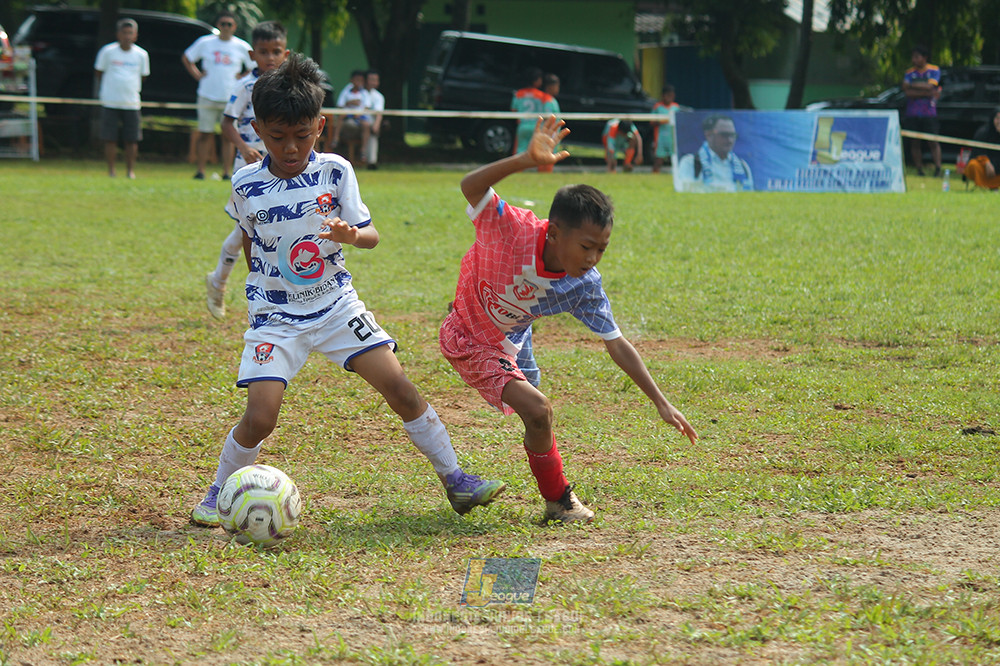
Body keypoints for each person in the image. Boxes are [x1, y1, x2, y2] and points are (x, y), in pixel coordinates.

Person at [190, 53, 505, 528]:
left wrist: (350, 236)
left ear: (323, 125)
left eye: (302, 135)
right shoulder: (245, 184)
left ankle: (456, 478)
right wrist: (259, 292)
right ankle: (218, 491)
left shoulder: (336, 171)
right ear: (257, 128)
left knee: (399, 386)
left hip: (337, 306)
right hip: (275, 319)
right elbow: (253, 241)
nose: (290, 147)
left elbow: (370, 233)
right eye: (277, 137)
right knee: (261, 418)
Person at [439, 115, 698, 525]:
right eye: (587, 246)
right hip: (468, 334)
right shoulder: (512, 228)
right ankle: (559, 501)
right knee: (539, 409)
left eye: (602, 249)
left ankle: (552, 494)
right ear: (555, 233)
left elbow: (616, 343)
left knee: (535, 416)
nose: (593, 258)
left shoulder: (583, 284)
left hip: (513, 342)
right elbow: (470, 186)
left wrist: (661, 402)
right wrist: (525, 159)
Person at [205, 20, 289, 319]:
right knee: (248, 229)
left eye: (275, 51)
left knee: (268, 228)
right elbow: (227, 122)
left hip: (282, 169)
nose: (269, 58)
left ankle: (225, 282)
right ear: (252, 55)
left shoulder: (288, 86)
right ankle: (223, 283)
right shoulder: (244, 87)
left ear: (286, 54)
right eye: (263, 52)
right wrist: (242, 147)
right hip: (250, 170)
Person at [181, 11, 253, 180]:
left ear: (234, 27)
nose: (226, 27)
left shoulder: (241, 46)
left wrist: (242, 78)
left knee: (228, 136)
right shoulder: (205, 42)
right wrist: (197, 75)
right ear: (218, 26)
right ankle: (201, 171)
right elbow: (187, 58)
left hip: (231, 97)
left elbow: (253, 65)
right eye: (223, 24)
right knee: (205, 133)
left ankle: (227, 172)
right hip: (207, 94)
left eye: (229, 24)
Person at [93, 18, 149, 179]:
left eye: (130, 33)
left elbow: (144, 76)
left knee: (132, 139)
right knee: (110, 138)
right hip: (110, 101)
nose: (127, 36)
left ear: (135, 35)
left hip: (132, 102)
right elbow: (99, 72)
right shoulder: (107, 52)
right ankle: (111, 171)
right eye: (124, 33)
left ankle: (130, 171)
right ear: (118, 34)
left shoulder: (141, 55)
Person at [675, 114, 753, 192]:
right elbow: (686, 194)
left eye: (732, 135)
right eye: (724, 135)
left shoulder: (743, 166)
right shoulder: (690, 163)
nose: (730, 140)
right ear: (708, 134)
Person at [902, 45, 942, 177]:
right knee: (915, 142)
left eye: (917, 57)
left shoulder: (934, 70)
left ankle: (938, 168)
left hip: (929, 112)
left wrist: (913, 86)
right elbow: (907, 92)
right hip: (913, 113)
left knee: (933, 141)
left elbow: (931, 87)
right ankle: (919, 169)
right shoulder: (909, 72)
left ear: (924, 58)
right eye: (913, 57)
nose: (914, 59)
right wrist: (926, 92)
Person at [327, 69, 371, 166]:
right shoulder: (346, 91)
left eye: (360, 80)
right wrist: (349, 103)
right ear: (351, 80)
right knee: (341, 116)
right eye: (356, 80)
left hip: (360, 116)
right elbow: (340, 105)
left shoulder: (364, 93)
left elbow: (367, 106)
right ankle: (335, 139)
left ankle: (363, 150)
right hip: (348, 114)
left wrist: (359, 113)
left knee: (366, 125)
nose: (358, 82)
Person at [511, 67, 550, 155]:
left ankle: (519, 168)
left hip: (523, 126)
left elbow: (514, 110)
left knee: (520, 150)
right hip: (537, 127)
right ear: (536, 80)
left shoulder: (519, 93)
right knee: (535, 151)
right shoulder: (542, 96)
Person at [963, 107, 1000, 189]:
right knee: (973, 165)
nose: (999, 121)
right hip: (984, 166)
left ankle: (995, 185)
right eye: (997, 118)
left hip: (998, 168)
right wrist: (986, 162)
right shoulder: (983, 132)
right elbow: (977, 151)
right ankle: (983, 185)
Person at [651, 85, 679, 174]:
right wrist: (661, 121)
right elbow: (651, 122)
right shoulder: (657, 107)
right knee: (659, 159)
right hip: (661, 137)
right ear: (663, 96)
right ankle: (655, 174)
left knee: (674, 159)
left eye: (671, 96)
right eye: (667, 95)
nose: (669, 98)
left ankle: (675, 176)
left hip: (672, 137)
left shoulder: (676, 107)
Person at [537, 73, 561, 174]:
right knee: (547, 153)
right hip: (549, 132)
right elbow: (548, 116)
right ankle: (545, 172)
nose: (558, 89)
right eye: (557, 86)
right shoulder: (547, 100)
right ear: (550, 87)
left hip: (552, 131)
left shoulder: (549, 99)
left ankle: (546, 171)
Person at [364, 70, 385, 170]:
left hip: (369, 123)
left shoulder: (378, 96)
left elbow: (378, 113)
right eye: (371, 79)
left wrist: (376, 125)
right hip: (353, 123)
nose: (373, 82)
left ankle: (371, 161)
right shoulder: (356, 92)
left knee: (372, 133)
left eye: (375, 80)